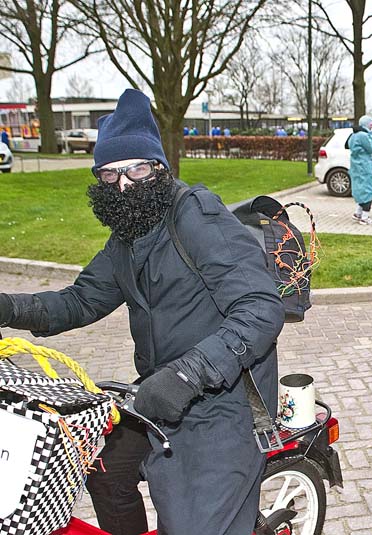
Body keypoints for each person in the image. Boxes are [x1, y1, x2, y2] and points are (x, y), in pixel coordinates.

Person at [0, 88, 285, 535]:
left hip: (222, 398)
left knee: (189, 522)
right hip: (158, 392)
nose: (125, 184)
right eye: (110, 175)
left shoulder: (195, 216)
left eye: (136, 168)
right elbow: (81, 299)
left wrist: (189, 374)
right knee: (103, 469)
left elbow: (261, 306)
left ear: (159, 167)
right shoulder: (127, 237)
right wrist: (7, 307)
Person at [349, 115, 372, 226]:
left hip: (356, 167)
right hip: (364, 167)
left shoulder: (354, 135)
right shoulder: (363, 135)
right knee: (368, 190)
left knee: (360, 190)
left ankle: (358, 212)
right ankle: (365, 217)